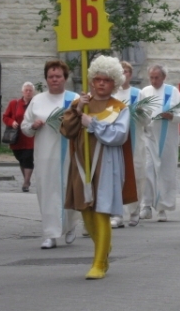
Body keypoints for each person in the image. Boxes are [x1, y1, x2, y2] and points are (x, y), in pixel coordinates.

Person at [61, 55, 135, 279]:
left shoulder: (119, 108)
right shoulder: (79, 103)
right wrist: (78, 110)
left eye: (107, 80)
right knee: (86, 210)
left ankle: (99, 262)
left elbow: (119, 136)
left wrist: (92, 124)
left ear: (115, 82)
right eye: (97, 79)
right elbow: (66, 130)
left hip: (106, 164)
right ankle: (103, 246)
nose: (101, 83)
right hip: (81, 163)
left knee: (101, 210)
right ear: (92, 81)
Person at [21, 60, 80, 249]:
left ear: (65, 78)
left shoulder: (74, 99)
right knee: (47, 193)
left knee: (67, 190)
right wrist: (32, 126)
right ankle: (50, 234)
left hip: (69, 154)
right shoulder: (37, 100)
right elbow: (25, 126)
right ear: (46, 79)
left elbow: (84, 125)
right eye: (51, 76)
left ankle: (70, 226)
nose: (54, 80)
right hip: (45, 155)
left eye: (58, 76)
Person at [139, 64, 180, 223]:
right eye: (151, 77)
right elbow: (139, 112)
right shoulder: (144, 92)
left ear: (163, 77)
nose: (153, 81)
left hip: (167, 139)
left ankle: (162, 208)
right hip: (149, 137)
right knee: (147, 170)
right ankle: (146, 205)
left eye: (156, 77)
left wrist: (172, 116)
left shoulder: (172, 92)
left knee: (165, 172)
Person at [111, 61, 145, 228]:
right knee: (117, 175)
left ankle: (134, 210)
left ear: (131, 74)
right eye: (121, 71)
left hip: (135, 141)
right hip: (117, 141)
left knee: (136, 175)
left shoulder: (138, 94)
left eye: (127, 71)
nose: (124, 74)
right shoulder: (112, 94)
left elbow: (147, 120)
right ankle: (118, 214)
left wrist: (140, 112)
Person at [2, 82, 36, 192]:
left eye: (30, 90)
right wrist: (12, 122)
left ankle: (26, 182)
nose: (28, 92)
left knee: (28, 158)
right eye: (26, 90)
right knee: (21, 159)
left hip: (30, 137)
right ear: (22, 92)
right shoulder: (14, 103)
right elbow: (5, 117)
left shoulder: (36, 104)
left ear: (33, 92)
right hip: (17, 137)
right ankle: (26, 178)